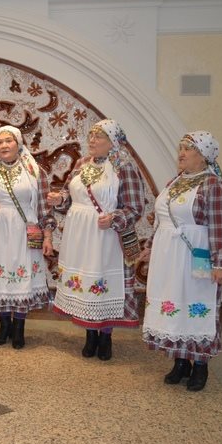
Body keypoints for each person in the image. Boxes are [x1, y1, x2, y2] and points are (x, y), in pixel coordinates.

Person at [141, 132, 222, 391]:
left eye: (188, 149)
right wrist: (150, 247)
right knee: (175, 304)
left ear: (204, 156)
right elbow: (161, 219)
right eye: (181, 148)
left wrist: (220, 263)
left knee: (196, 304)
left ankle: (200, 365)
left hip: (197, 256)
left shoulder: (214, 185)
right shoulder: (175, 182)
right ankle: (181, 360)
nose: (181, 153)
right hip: (167, 257)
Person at [48, 119, 145, 361]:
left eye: (99, 136)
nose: (92, 140)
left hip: (106, 236)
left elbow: (135, 207)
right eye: (91, 136)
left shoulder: (124, 167)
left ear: (113, 141)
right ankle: (90, 334)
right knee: (85, 280)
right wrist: (59, 200)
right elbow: (70, 195)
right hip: (79, 234)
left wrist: (114, 218)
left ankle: (106, 336)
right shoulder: (81, 163)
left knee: (102, 280)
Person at [0, 126, 55, 349]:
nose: (4, 145)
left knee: (22, 277)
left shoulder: (35, 171)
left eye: (8, 141)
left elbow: (45, 207)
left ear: (18, 144)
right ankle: (3, 325)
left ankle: (19, 328)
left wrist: (47, 236)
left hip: (24, 230)